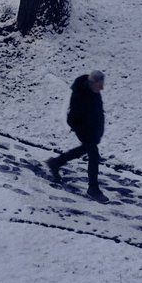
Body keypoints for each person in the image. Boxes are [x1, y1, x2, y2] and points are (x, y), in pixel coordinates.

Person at [46, 70, 108, 202]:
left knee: (83, 149)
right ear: (92, 83)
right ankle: (93, 189)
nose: (102, 88)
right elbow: (73, 118)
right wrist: (85, 132)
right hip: (85, 130)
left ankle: (56, 162)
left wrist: (99, 130)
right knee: (94, 155)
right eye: (100, 84)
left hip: (92, 131)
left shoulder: (95, 92)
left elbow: (98, 112)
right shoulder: (80, 95)